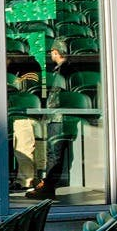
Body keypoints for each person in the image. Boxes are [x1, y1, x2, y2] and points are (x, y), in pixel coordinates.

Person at [27, 40, 78, 200]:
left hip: (58, 117)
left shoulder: (63, 71)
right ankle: (48, 184)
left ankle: (48, 187)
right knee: (55, 152)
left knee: (54, 152)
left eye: (52, 52)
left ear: (55, 52)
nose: (51, 55)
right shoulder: (64, 70)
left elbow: (58, 96)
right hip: (57, 116)